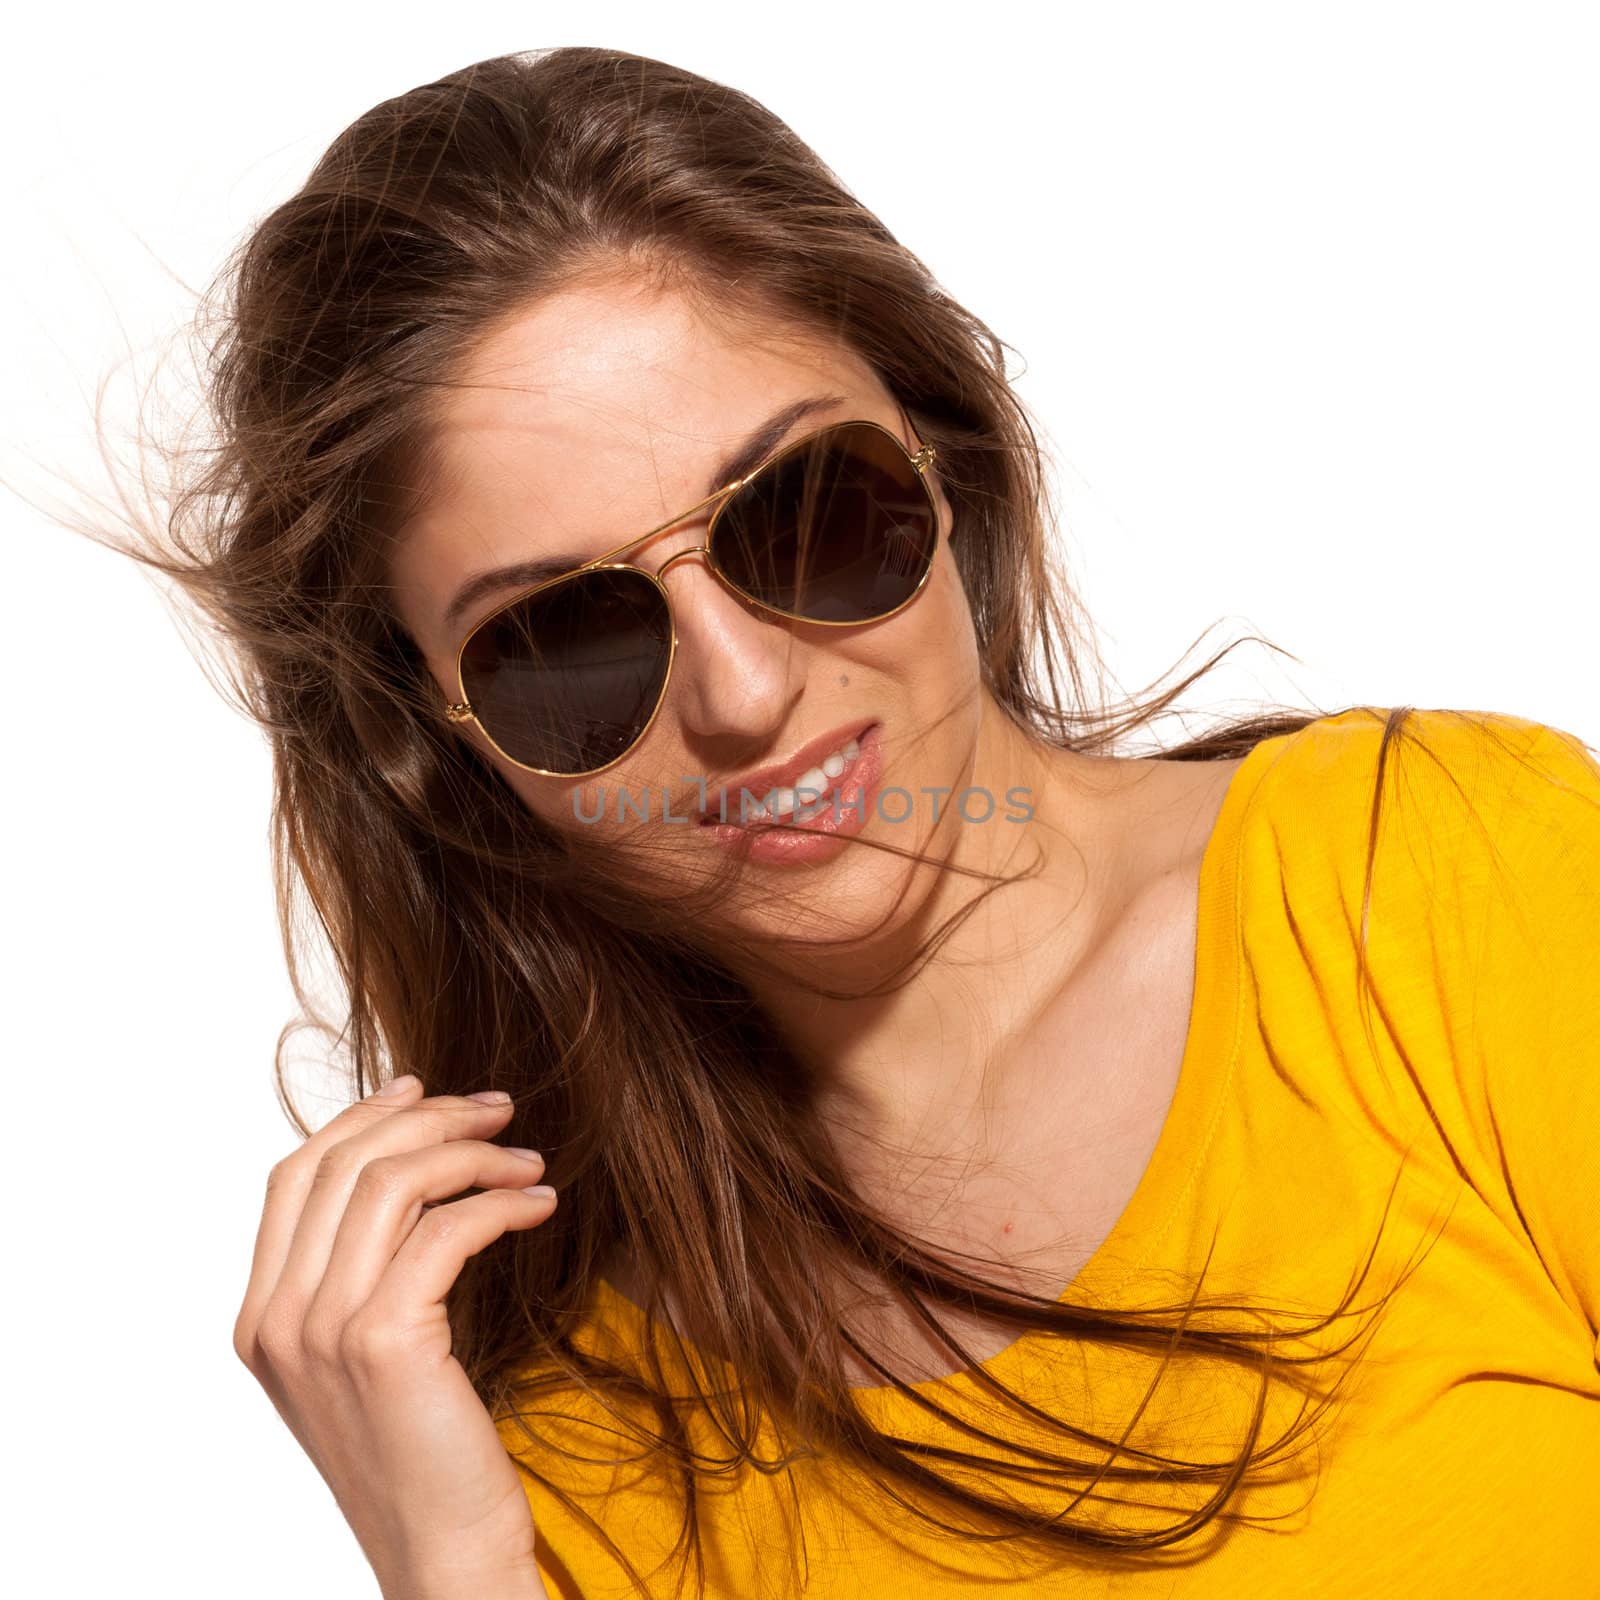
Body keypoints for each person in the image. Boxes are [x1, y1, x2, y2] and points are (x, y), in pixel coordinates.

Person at [86, 45, 1598, 1600]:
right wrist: (452, 1564)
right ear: (448, 753)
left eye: (804, 515)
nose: (743, 693)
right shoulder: (577, 1447)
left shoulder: (1439, 887)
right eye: (568, 647)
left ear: (941, 460)